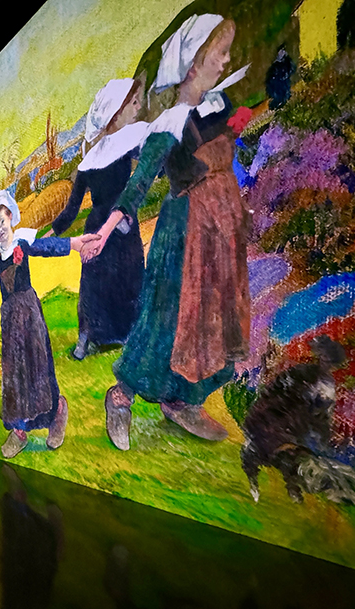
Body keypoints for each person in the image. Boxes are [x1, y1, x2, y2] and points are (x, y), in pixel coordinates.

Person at [93, 15, 252, 448]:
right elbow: (139, 183)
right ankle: (121, 396)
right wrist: (105, 231)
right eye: (218, 53)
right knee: (166, 321)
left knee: (208, 321)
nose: (225, 60)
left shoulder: (218, 106)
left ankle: (182, 401)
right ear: (193, 64)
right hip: (183, 235)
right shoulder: (169, 125)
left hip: (219, 232)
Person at [0, 191, 98, 458]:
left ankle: (56, 413)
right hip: (10, 320)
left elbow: (47, 247)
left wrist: (75, 243)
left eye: (2, 222)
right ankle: (19, 430)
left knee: (38, 366)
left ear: (10, 218)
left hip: (29, 315)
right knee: (14, 374)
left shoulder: (23, 243)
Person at [44, 77, 149, 360]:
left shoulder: (116, 149)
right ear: (115, 113)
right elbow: (71, 209)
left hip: (113, 224)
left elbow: (72, 209)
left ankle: (99, 339)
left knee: (116, 281)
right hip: (117, 225)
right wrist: (53, 233)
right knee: (104, 283)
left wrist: (55, 231)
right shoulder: (98, 158)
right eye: (132, 103)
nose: (138, 108)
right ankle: (96, 337)